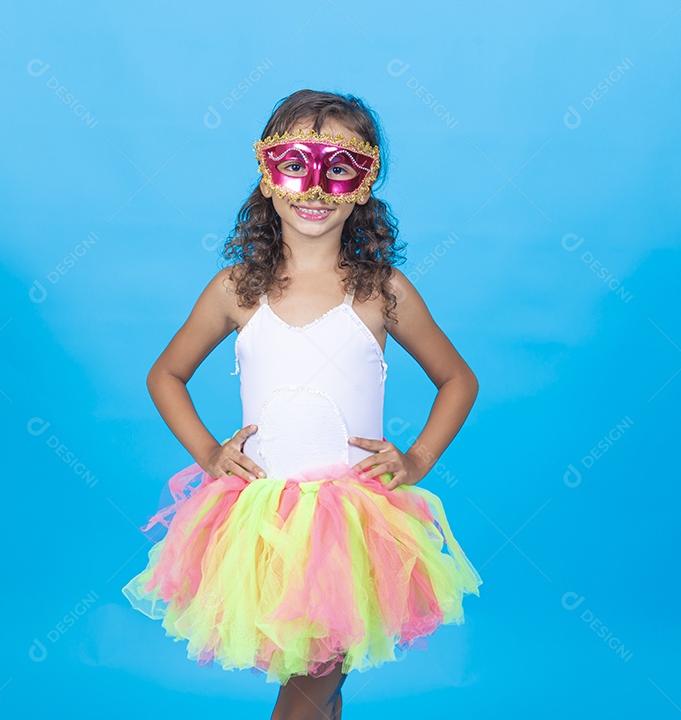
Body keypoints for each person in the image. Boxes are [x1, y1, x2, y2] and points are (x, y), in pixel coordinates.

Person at [122, 89, 482, 719]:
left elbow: (457, 379)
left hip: (350, 525)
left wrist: (418, 459)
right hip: (260, 522)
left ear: (364, 184)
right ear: (268, 176)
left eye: (339, 168)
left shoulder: (381, 289)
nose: (314, 188)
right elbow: (166, 374)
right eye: (296, 165)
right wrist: (210, 453)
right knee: (313, 676)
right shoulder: (236, 289)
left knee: (313, 681)